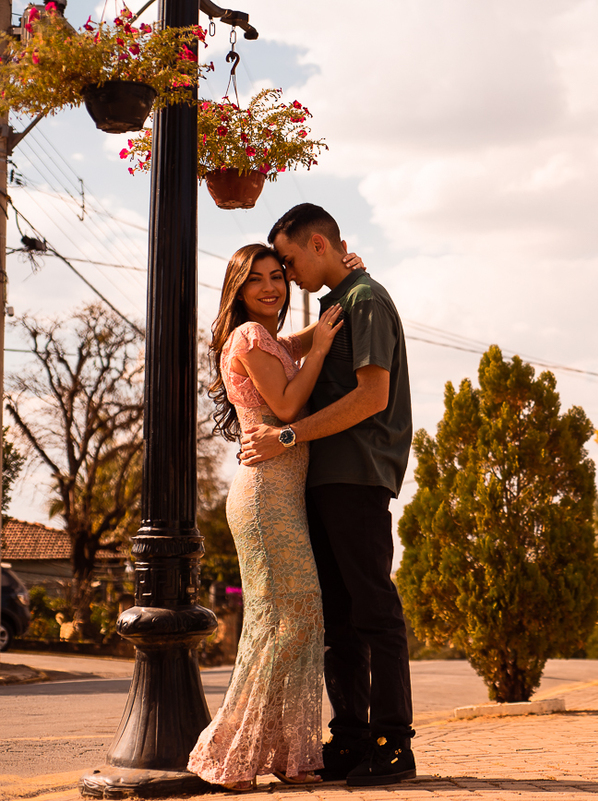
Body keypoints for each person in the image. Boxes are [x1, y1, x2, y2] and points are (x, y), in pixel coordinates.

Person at [238, 203, 417, 787]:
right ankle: (351, 738)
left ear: (319, 245)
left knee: (373, 611)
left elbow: (370, 398)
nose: (285, 276)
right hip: (319, 476)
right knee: (336, 617)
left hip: (358, 473)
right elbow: (279, 351)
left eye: (287, 262)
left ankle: (394, 743)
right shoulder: (336, 303)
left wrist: (287, 433)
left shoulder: (366, 300)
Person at [188, 243, 347, 791]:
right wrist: (322, 349)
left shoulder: (268, 339)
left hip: (282, 493)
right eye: (256, 279)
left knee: (297, 618)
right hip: (263, 497)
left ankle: (283, 752)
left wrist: (337, 299)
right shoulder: (250, 336)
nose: (271, 287)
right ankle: (229, 751)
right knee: (283, 621)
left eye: (277, 276)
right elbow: (283, 407)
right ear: (237, 287)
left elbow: (294, 344)